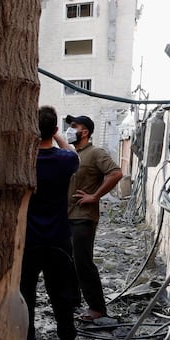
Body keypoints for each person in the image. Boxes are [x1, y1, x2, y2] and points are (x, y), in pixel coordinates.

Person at [20, 106, 81, 340]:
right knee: (61, 294)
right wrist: (57, 136)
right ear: (55, 130)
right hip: (58, 238)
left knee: (26, 294)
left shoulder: (23, 161)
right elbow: (73, 152)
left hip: (28, 239)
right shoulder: (65, 160)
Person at [65, 114, 123, 322]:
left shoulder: (95, 152)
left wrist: (95, 196)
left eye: (74, 126)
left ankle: (97, 308)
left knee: (83, 263)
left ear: (85, 131)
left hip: (84, 218)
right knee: (70, 262)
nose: (70, 130)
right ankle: (74, 302)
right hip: (69, 217)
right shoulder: (72, 154)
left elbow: (116, 173)